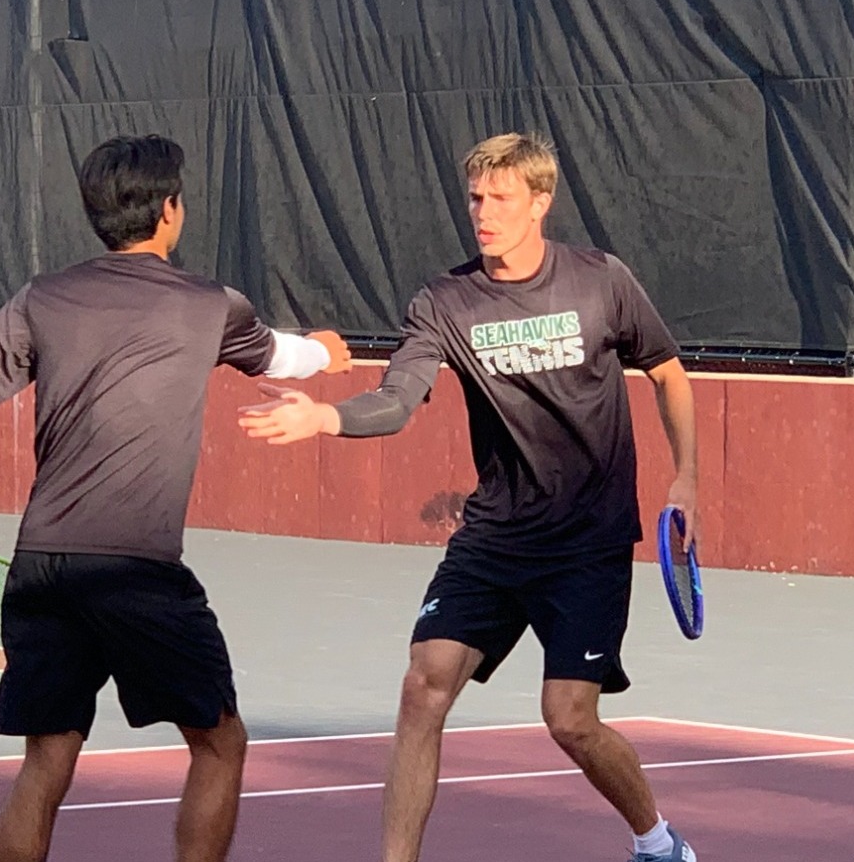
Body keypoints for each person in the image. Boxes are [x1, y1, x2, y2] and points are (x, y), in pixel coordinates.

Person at [238, 133, 701, 862]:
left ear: (540, 203)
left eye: (500, 198)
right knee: (423, 686)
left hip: (587, 541)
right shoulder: (445, 302)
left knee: (570, 718)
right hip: (495, 538)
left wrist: (687, 477)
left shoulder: (600, 280)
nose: (483, 213)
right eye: (476, 197)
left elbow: (668, 372)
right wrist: (325, 416)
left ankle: (657, 841)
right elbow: (397, 399)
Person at [0, 134, 351, 862]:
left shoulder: (43, 297)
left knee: (45, 761)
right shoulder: (208, 303)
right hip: (137, 573)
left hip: (43, 567)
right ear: (170, 210)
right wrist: (327, 353)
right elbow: (282, 356)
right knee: (220, 743)